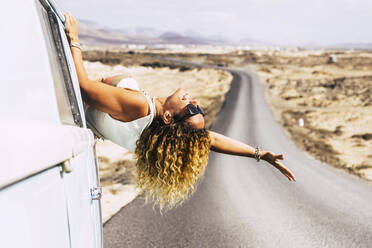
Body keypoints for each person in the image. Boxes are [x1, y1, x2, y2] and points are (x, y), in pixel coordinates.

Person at [64, 13, 296, 210]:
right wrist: (260, 154)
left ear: (168, 117)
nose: (193, 101)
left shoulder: (141, 107)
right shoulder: (150, 133)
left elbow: (84, 88)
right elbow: (210, 138)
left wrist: (74, 39)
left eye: (191, 108)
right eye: (198, 108)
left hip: (65, 103)